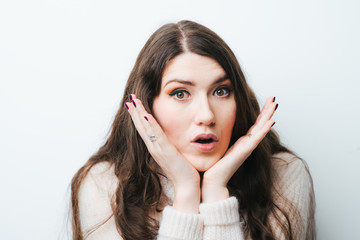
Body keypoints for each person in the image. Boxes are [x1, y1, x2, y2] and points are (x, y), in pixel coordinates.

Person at [70, 20, 315, 240]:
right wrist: (186, 193)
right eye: (180, 93)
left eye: (221, 91)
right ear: (146, 105)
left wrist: (216, 191)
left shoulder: (284, 173)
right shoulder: (104, 184)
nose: (207, 116)